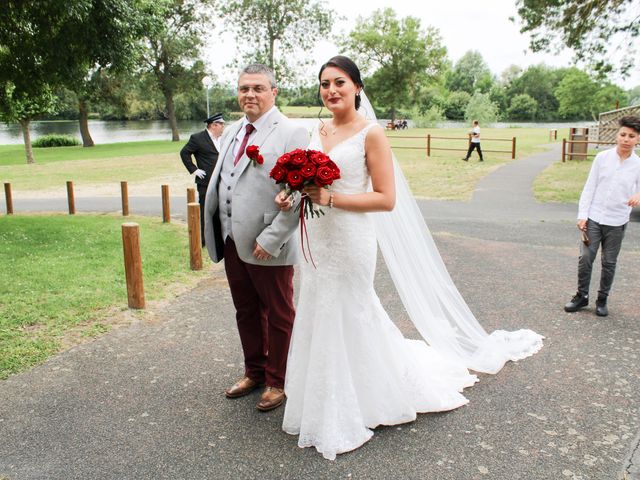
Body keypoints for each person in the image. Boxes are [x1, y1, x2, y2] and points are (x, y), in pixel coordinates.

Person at [276, 56, 543, 460]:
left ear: (357, 88)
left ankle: (363, 400)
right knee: (314, 307)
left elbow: (386, 198)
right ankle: (320, 394)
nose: (331, 90)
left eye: (340, 83)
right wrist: (291, 193)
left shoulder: (371, 134)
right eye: (325, 83)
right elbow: (310, 184)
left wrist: (333, 198)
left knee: (350, 309)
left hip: (351, 239)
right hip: (315, 238)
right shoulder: (318, 130)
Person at [203, 64, 309, 411]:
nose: (250, 94)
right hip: (232, 237)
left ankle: (278, 381)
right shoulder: (233, 130)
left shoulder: (292, 131)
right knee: (245, 310)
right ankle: (255, 371)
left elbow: (298, 193)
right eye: (244, 88)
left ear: (273, 92)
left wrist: (273, 237)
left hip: (268, 240)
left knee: (279, 312)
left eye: (258, 88)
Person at [564, 116, 640, 317]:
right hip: (594, 218)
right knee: (586, 258)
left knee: (609, 262)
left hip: (617, 221)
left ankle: (602, 299)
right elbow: (589, 187)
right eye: (623, 134)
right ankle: (581, 296)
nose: (626, 139)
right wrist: (583, 215)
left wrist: (638, 195)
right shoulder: (602, 158)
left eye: (631, 136)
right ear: (617, 135)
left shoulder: (638, 164)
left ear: (637, 139)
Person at [180, 113, 225, 245]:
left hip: (222, 181)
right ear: (213, 125)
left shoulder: (223, 138)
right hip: (206, 182)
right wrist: (194, 169)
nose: (223, 127)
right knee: (206, 210)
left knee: (220, 210)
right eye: (221, 124)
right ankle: (204, 240)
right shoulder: (198, 138)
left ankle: (219, 238)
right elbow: (184, 153)